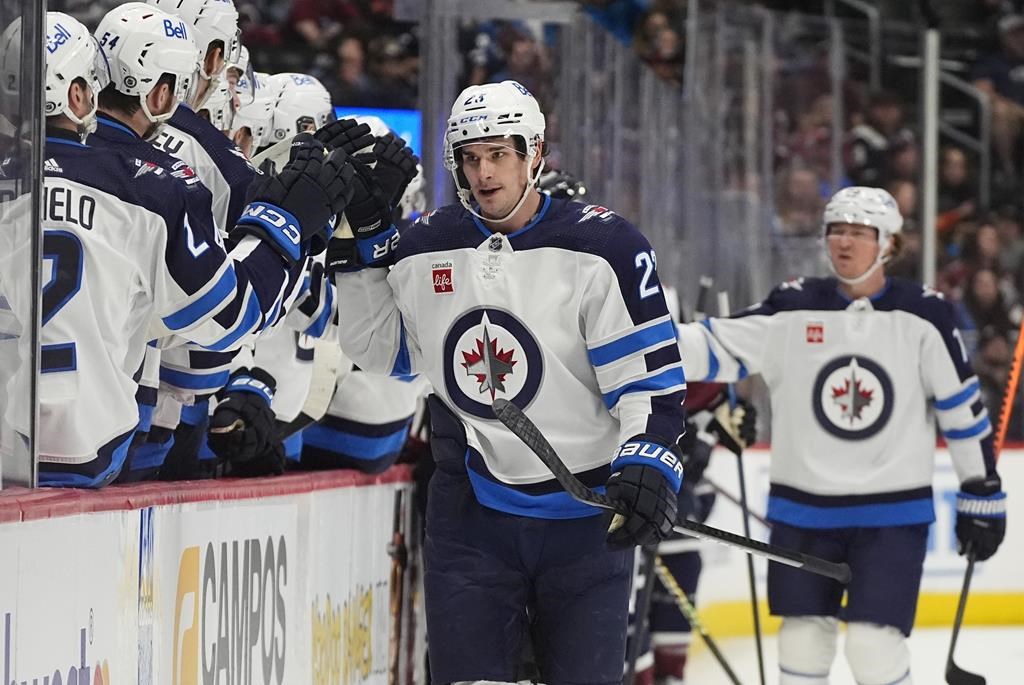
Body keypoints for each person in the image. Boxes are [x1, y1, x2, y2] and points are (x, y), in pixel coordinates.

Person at [330, 80, 687, 684]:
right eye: (470, 158)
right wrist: (360, 250)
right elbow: (381, 352)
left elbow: (645, 376)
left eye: (499, 154)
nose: (483, 173)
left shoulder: (604, 248)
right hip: (473, 515)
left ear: (534, 153)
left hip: (586, 516)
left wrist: (650, 458)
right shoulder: (425, 248)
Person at [676, 186, 1008, 685]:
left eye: (859, 233)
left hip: (891, 516)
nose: (844, 243)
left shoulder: (925, 315)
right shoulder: (792, 306)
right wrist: (627, 330)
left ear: (889, 244)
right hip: (803, 511)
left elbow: (962, 409)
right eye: (836, 231)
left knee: (875, 648)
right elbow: (708, 346)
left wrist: (981, 489)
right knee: (802, 642)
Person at [29, 10, 354, 487]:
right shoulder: (156, 188)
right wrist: (292, 227)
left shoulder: (18, 173)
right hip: (97, 444)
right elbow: (231, 314)